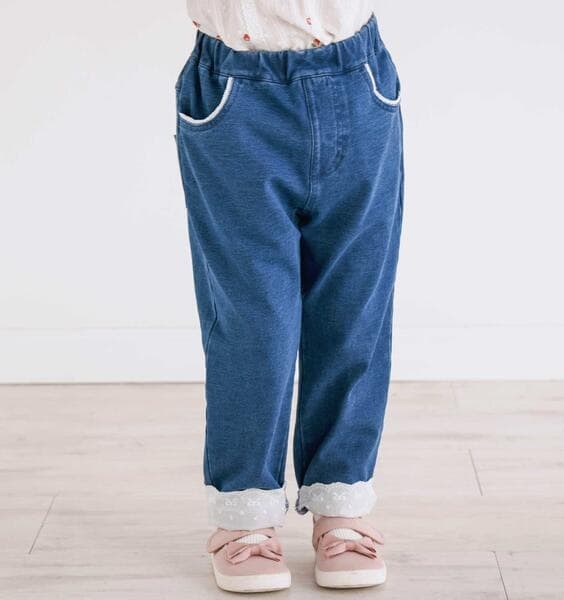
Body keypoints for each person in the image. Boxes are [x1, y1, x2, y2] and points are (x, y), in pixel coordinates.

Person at [175, 0, 404, 592]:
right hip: (236, 90)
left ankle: (342, 505)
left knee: (354, 309)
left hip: (357, 77)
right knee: (254, 321)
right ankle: (245, 516)